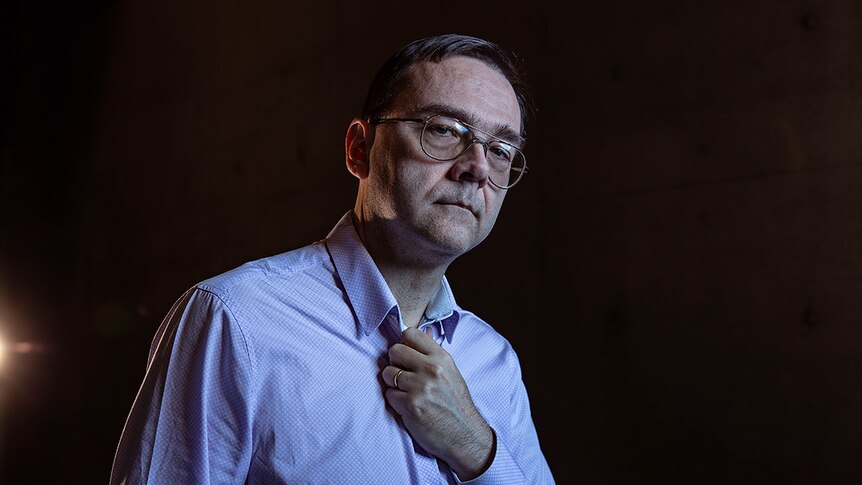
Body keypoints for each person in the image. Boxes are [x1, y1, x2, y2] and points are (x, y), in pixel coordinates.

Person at [110, 33, 554, 484]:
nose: (477, 166)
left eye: (500, 150)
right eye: (443, 130)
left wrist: (476, 448)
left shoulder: (494, 361)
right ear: (359, 150)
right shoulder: (235, 321)